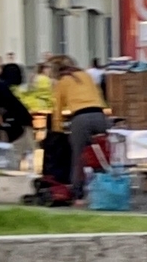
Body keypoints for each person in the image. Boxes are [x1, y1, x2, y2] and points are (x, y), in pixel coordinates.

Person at [47, 55, 110, 194]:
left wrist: (57, 130)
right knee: (102, 154)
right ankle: (106, 186)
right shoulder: (86, 75)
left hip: (81, 118)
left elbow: (57, 108)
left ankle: (77, 191)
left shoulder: (62, 82)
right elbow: (98, 95)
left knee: (78, 157)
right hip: (99, 115)